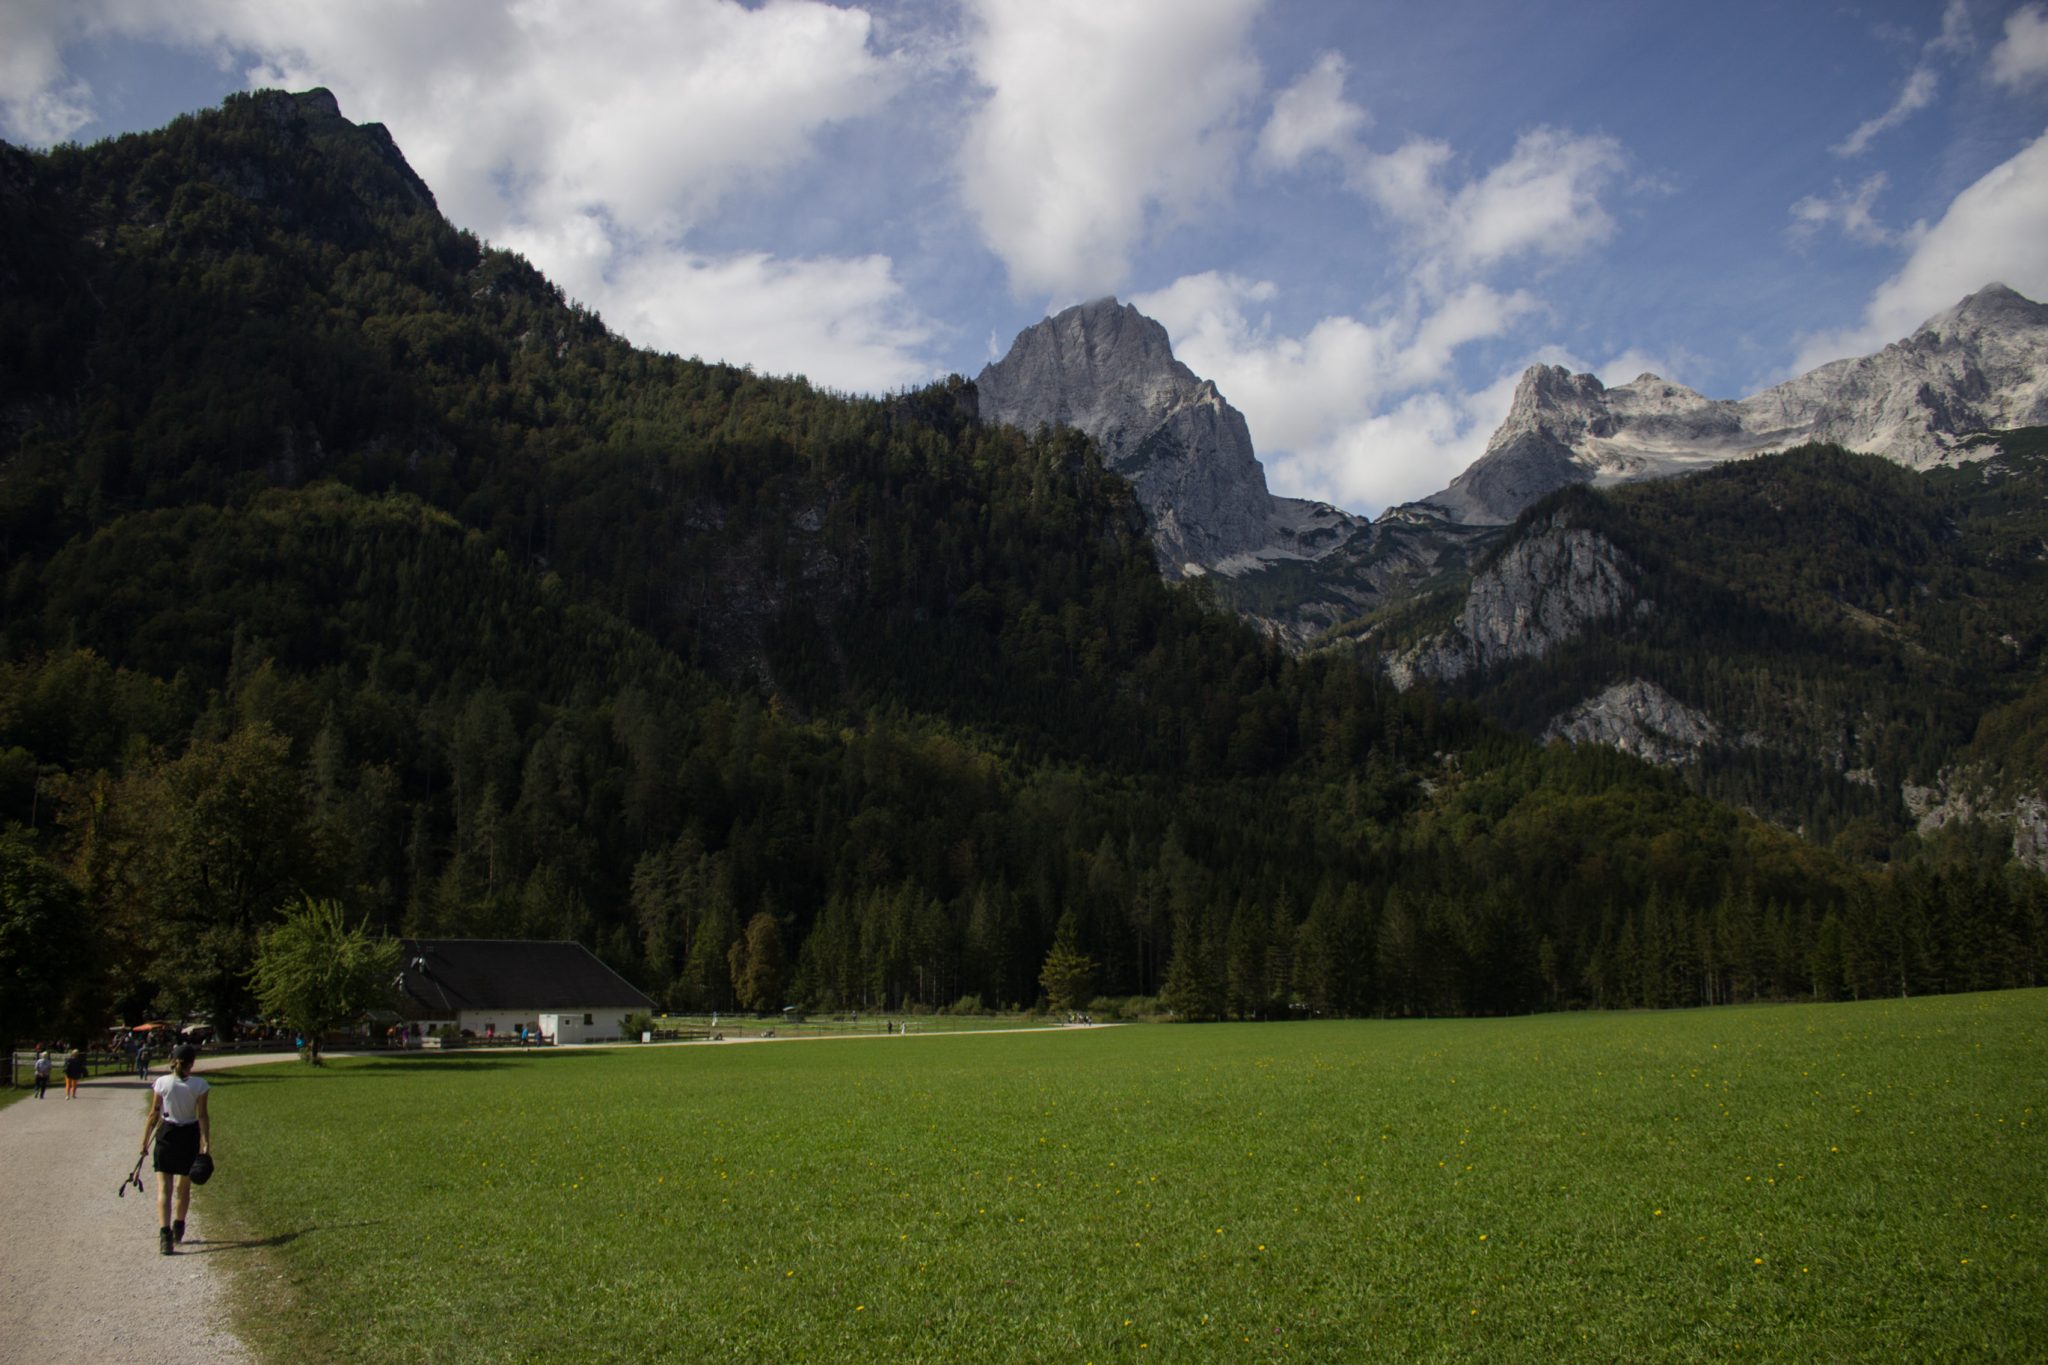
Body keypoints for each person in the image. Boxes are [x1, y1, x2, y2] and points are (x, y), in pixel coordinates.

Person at [137, 1044, 211, 1255]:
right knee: (183, 1187)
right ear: (191, 1063)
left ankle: (165, 1235)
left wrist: (144, 1142)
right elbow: (203, 1116)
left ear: (173, 1061)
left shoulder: (161, 1083)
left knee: (164, 1189)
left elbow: (153, 1114)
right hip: (188, 1135)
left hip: (166, 1135)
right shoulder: (200, 1085)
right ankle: (179, 1225)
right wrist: (206, 1143)